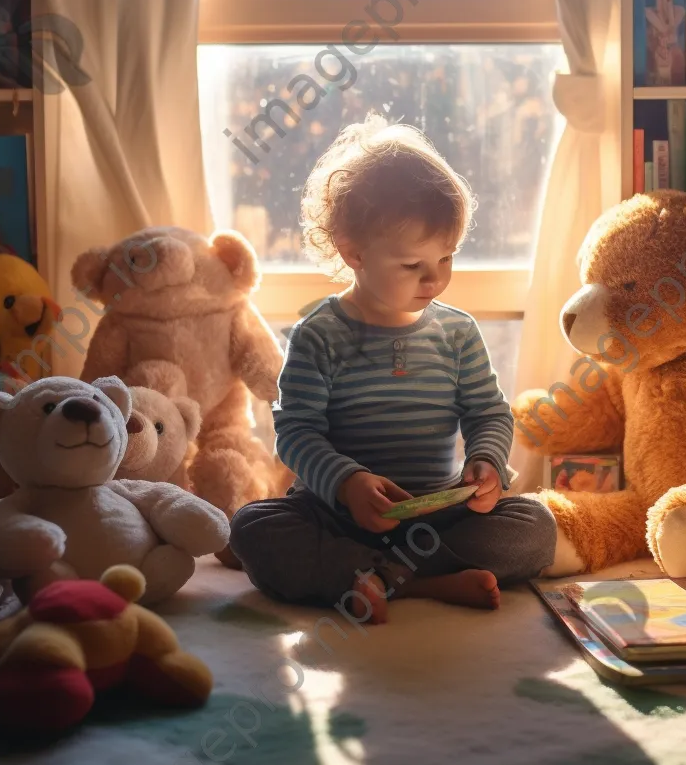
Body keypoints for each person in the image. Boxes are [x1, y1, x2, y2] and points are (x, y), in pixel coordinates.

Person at [230, 113, 556, 623]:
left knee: (535, 525)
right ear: (353, 252)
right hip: (338, 516)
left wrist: (488, 463)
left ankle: (386, 579)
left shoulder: (457, 333)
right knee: (253, 527)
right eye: (412, 266)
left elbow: (488, 412)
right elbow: (295, 432)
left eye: (447, 258)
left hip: (437, 517)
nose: (435, 279)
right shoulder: (320, 335)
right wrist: (347, 482)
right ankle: (420, 580)